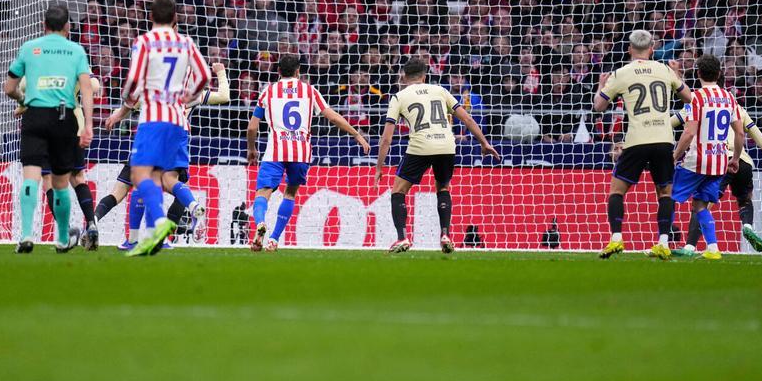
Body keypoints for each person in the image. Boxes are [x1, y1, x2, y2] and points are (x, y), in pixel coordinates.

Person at [105, 0, 209, 257]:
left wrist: (127, 97)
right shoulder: (185, 42)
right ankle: (152, 238)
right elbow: (205, 76)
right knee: (158, 178)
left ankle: (160, 223)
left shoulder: (145, 41)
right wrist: (188, 96)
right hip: (177, 120)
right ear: (176, 18)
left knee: (139, 176)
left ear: (151, 17)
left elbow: (133, 79)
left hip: (152, 117)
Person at [97, 62, 231, 250]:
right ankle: (184, 216)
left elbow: (130, 103)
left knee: (140, 184)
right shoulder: (192, 94)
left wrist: (117, 115)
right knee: (174, 184)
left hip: (153, 134)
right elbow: (225, 96)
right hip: (178, 135)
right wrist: (221, 72)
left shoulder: (152, 90)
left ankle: (131, 237)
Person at [246, 54, 370, 252]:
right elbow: (333, 117)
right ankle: (274, 239)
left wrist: (252, 149)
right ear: (298, 71)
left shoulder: (267, 92)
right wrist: (357, 134)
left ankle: (260, 223)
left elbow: (252, 128)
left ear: (278, 72)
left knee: (263, 193)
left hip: (275, 151)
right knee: (290, 193)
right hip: (301, 152)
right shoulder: (310, 91)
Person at [375, 58, 500, 253]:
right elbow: (467, 117)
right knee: (443, 187)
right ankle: (445, 234)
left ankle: (402, 238)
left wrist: (379, 168)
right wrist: (484, 142)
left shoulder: (399, 97)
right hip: (446, 145)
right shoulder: (441, 91)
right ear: (424, 76)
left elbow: (386, 139)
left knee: (398, 191)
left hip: (421, 145)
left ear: (403, 76)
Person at [592, 29, 693, 260]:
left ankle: (616, 239)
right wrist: (677, 76)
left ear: (629, 49)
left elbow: (598, 106)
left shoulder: (620, 74)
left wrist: (601, 85)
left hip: (637, 139)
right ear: (652, 49)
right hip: (663, 138)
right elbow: (689, 98)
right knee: (665, 193)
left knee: (617, 191)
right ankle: (663, 243)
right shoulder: (665, 69)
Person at [3, 4, 94, 254]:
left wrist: (23, 100)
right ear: (68, 26)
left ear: (44, 25)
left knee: (31, 176)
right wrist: (89, 125)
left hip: (34, 116)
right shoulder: (76, 51)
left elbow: (9, 87)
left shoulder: (29, 48)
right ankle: (63, 239)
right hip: (64, 117)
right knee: (61, 182)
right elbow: (87, 89)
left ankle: (25, 235)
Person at [672, 99, 762, 257]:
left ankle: (689, 246)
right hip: (742, 161)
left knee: (701, 205)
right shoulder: (737, 108)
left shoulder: (696, 104)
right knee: (744, 199)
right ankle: (747, 226)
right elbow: (760, 139)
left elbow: (670, 123)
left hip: (719, 160)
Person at [668, 55, 745, 261]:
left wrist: (675, 156)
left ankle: (662, 243)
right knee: (700, 205)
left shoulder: (696, 97)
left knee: (668, 196)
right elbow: (739, 133)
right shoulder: (729, 97)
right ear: (719, 74)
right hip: (720, 161)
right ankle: (712, 248)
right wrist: (735, 158)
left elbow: (689, 133)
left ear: (698, 73)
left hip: (697, 160)